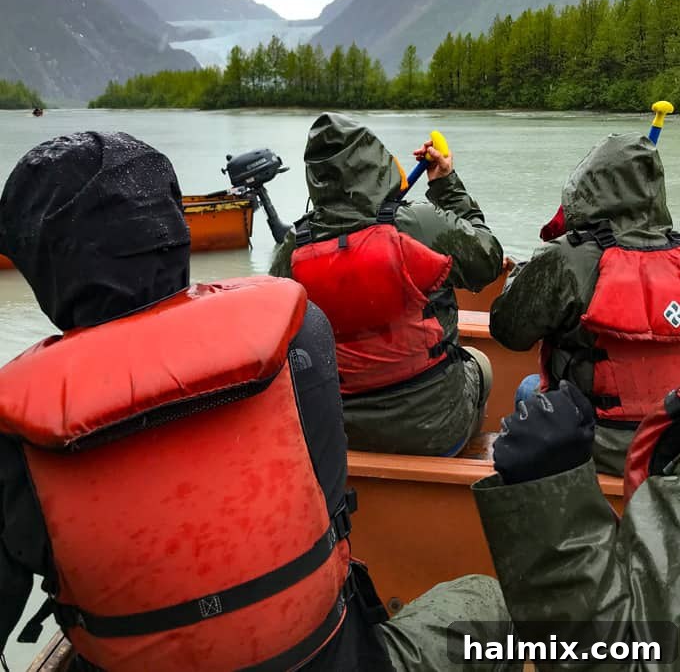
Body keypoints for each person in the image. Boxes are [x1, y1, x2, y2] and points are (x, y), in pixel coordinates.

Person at [0, 130, 512, 672]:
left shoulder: (17, 428)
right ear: (175, 229)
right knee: (490, 601)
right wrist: (447, 185)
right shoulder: (298, 334)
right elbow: (488, 263)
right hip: (329, 657)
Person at [270, 112, 503, 457]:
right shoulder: (417, 223)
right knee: (480, 362)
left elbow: (277, 333)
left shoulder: (293, 247)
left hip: (341, 430)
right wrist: (445, 184)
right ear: (376, 163)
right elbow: (488, 259)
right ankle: (460, 470)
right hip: (436, 429)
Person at [490, 132, 680, 476]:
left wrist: (528, 269)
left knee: (528, 389)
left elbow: (509, 332)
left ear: (585, 188)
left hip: (596, 443)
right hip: (673, 445)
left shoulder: (567, 256)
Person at [471, 379, 680, 669]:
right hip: (631, 445)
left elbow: (515, 335)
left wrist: (548, 481)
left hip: (604, 439)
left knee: (482, 597)